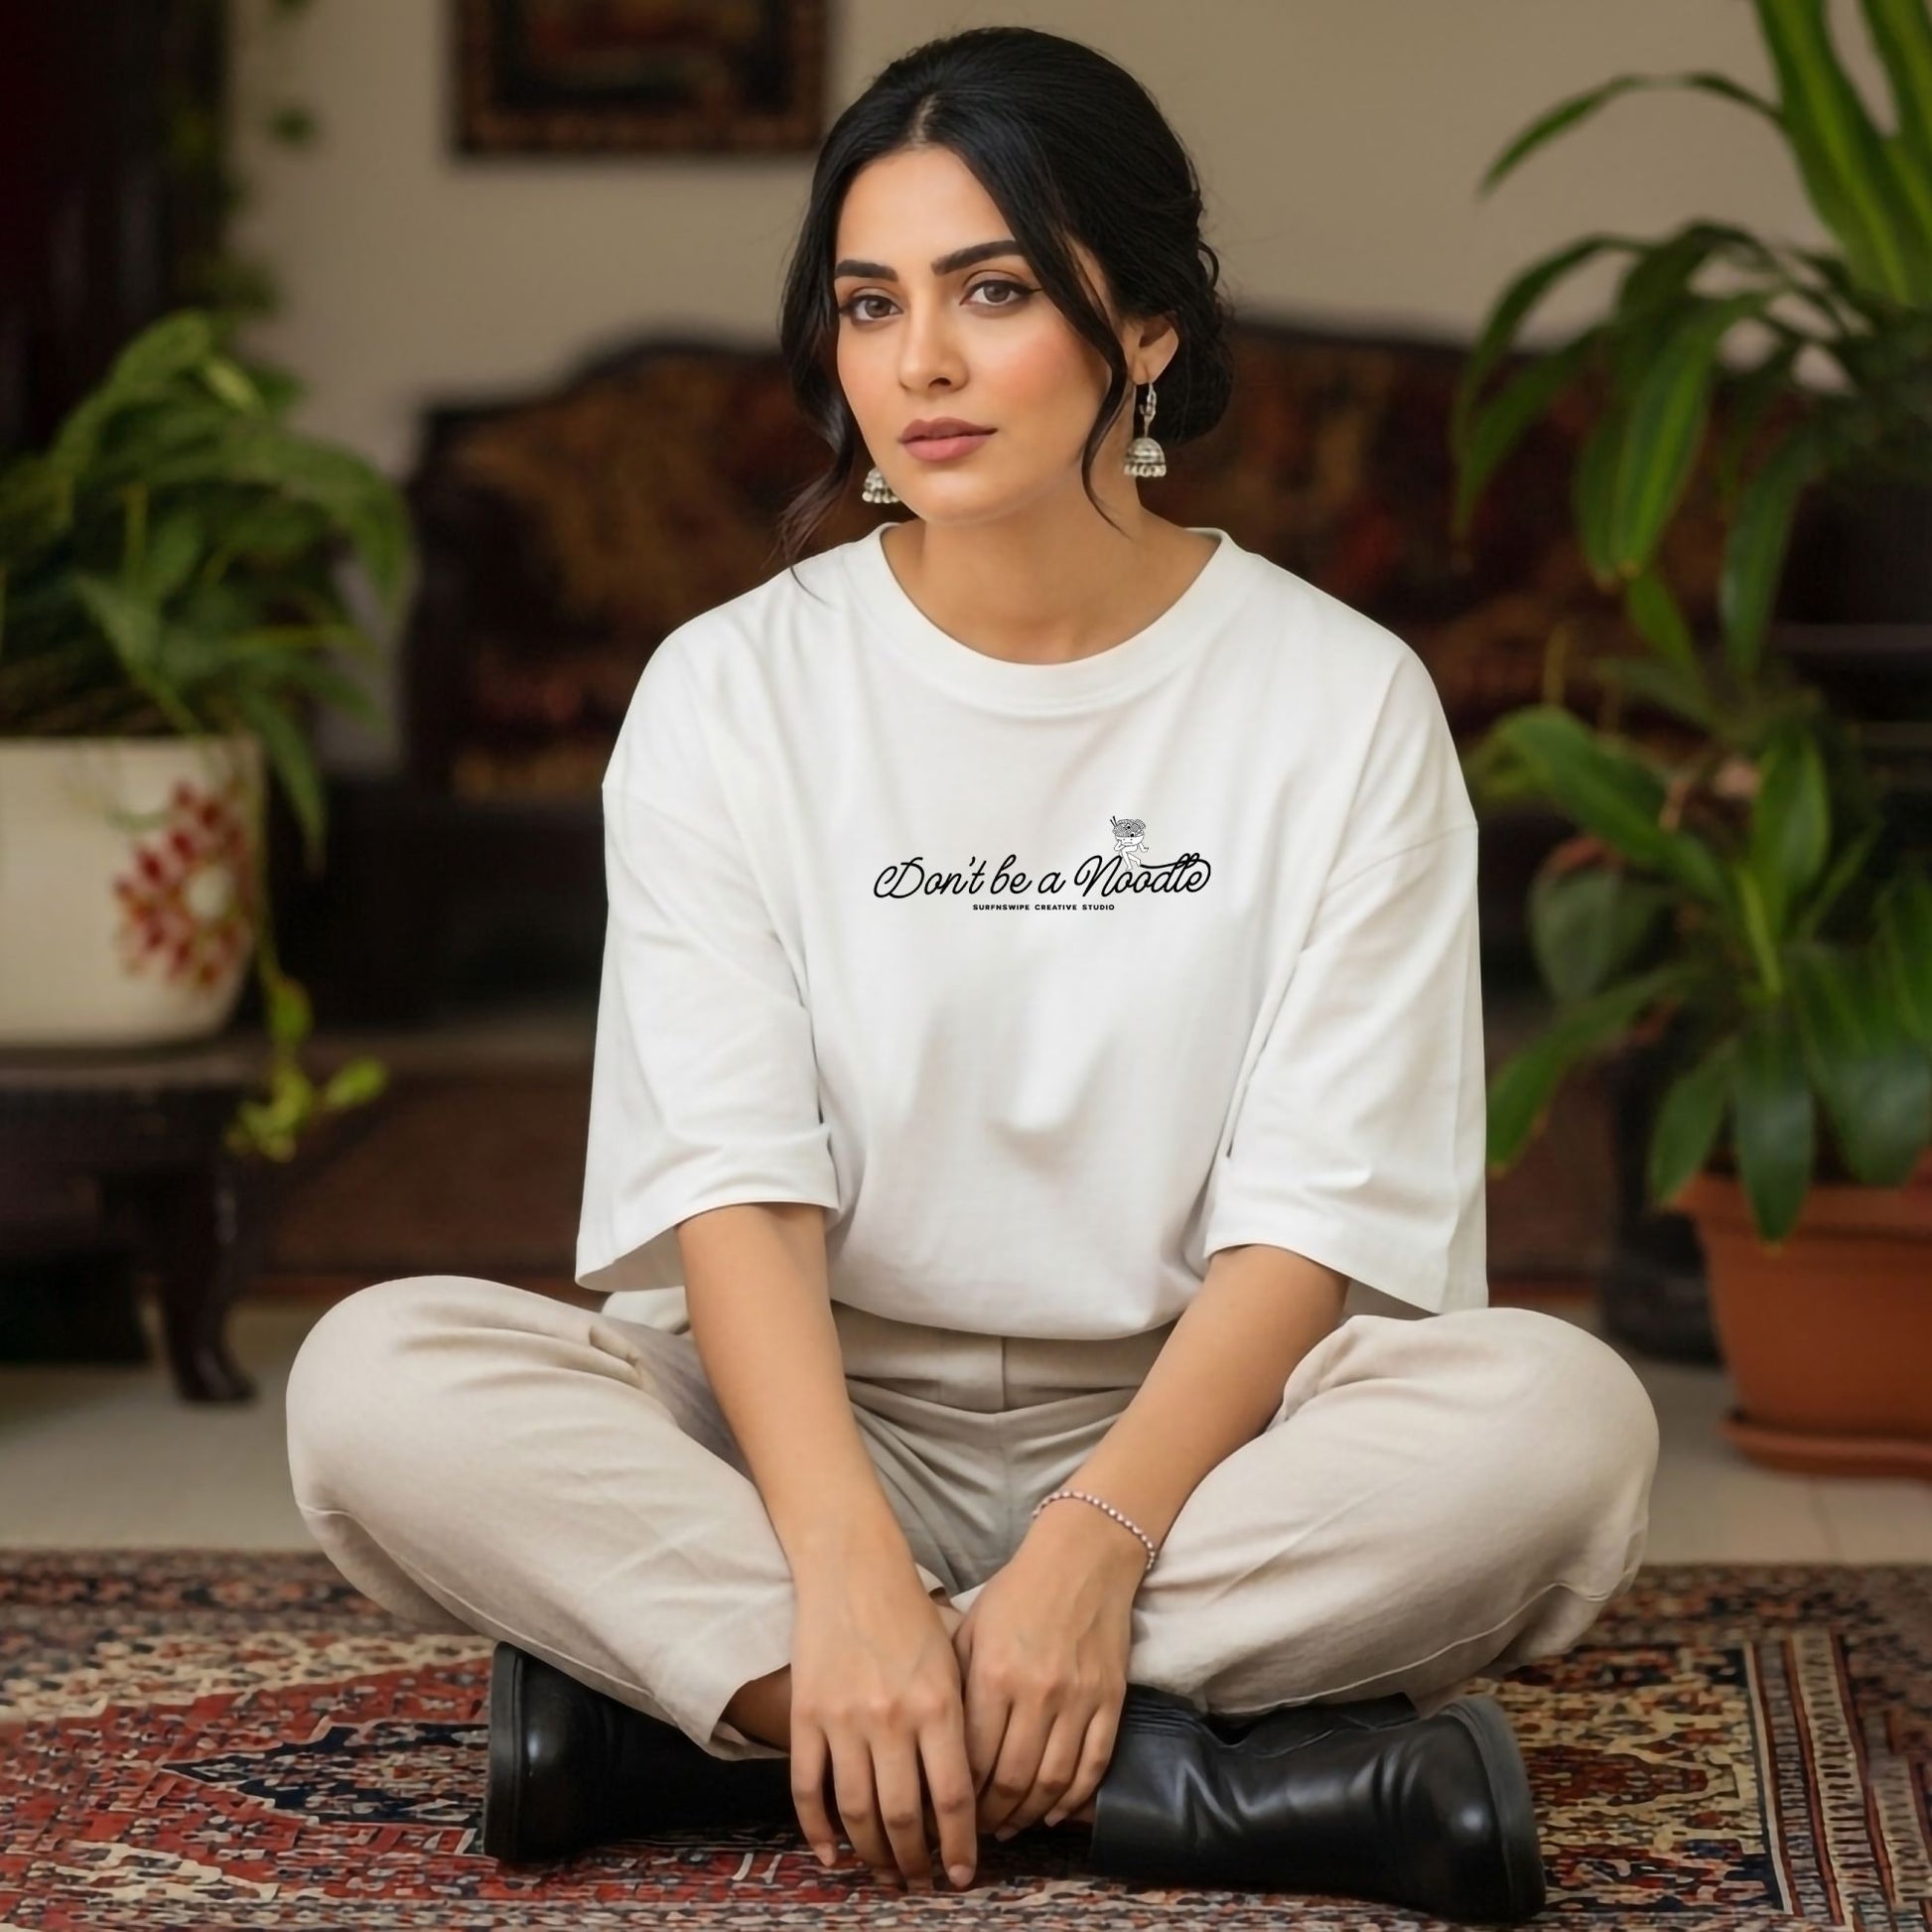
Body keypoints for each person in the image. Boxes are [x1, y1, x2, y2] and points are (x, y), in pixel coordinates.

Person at [284, 23, 1659, 1920]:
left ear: (1148, 328)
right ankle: (1161, 1764)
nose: (914, 363)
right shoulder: (729, 693)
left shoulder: (1339, 700)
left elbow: (1315, 1213)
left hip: (1211, 1446)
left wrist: (1096, 1538)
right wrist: (842, 1551)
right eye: (867, 303)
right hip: (797, 1429)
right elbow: (731, 1182)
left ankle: (730, 1726)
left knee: (1557, 1428)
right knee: (372, 1383)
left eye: (989, 291)